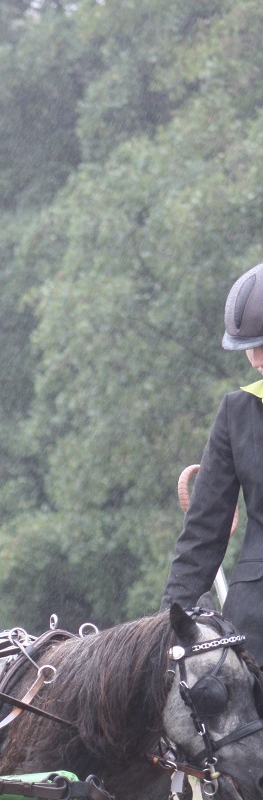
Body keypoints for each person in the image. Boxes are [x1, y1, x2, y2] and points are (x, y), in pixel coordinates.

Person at [163, 262, 263, 665]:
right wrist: (166, 627)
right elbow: (203, 533)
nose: (255, 360)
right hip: (256, 630)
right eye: (248, 349)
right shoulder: (238, 411)